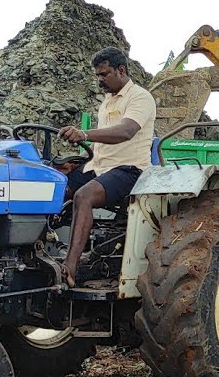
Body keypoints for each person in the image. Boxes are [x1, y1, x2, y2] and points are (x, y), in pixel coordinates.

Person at [55, 46, 156, 286]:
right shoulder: (107, 102)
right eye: (97, 75)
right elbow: (101, 145)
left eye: (104, 74)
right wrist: (76, 161)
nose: (100, 80)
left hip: (130, 170)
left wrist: (84, 133)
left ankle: (70, 267)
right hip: (99, 166)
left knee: (83, 196)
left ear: (121, 70)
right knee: (53, 185)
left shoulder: (140, 97)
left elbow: (126, 131)